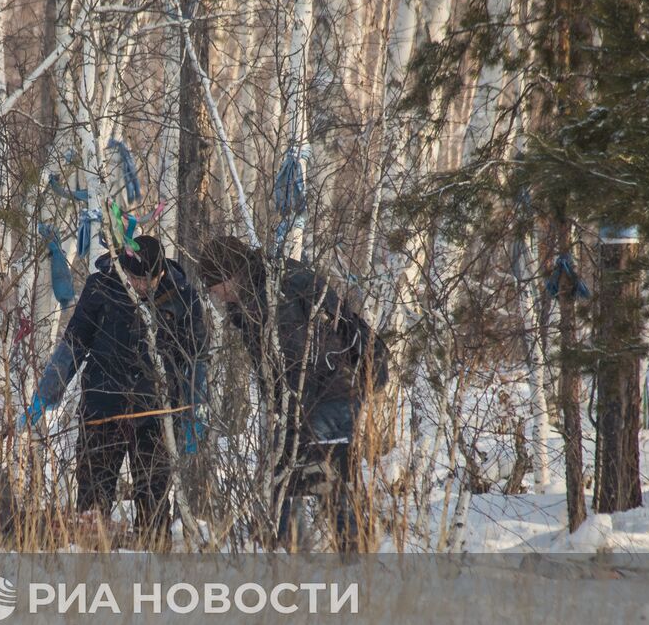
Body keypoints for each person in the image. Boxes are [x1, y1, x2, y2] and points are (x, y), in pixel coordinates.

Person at [196, 236, 388, 552]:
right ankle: (296, 549)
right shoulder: (263, 288)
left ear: (230, 275)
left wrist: (292, 415)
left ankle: (309, 552)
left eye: (216, 288)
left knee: (311, 475)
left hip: (326, 393)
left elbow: (298, 360)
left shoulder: (275, 296)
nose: (216, 297)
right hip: (327, 391)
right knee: (301, 474)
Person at [22, 236, 210, 548]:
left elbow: (196, 359)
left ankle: (153, 563)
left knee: (154, 496)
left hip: (156, 413)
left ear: (160, 273)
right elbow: (74, 344)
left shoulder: (183, 297)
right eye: (132, 277)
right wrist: (47, 392)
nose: (138, 285)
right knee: (93, 498)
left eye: (144, 279)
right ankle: (89, 561)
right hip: (102, 406)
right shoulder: (101, 287)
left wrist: (193, 411)